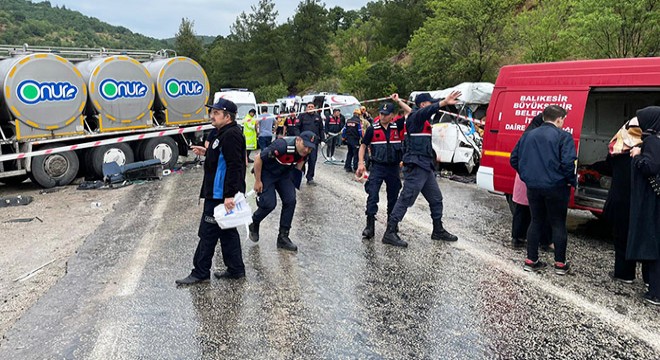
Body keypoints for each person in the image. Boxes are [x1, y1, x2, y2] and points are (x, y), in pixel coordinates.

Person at [176, 99, 247, 284]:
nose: (211, 116)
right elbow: (222, 157)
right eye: (212, 112)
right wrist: (206, 152)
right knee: (227, 232)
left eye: (216, 113)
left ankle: (200, 272)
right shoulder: (221, 133)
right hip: (219, 193)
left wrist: (229, 195)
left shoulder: (231, 135)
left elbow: (234, 166)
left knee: (207, 234)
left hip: (219, 195)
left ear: (227, 116)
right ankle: (236, 269)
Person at [382, 92, 461, 247]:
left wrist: (433, 154)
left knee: (436, 198)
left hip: (425, 166)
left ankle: (437, 230)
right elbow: (426, 111)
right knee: (406, 198)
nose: (432, 105)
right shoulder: (416, 117)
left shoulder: (421, 118)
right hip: (416, 166)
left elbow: (423, 136)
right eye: (429, 103)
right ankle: (390, 231)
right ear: (423, 105)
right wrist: (443, 102)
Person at [510, 105, 576, 275]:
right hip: (556, 187)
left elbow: (514, 159)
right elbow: (569, 164)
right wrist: (571, 181)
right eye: (564, 119)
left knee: (536, 220)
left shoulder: (528, 135)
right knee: (558, 224)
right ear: (560, 119)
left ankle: (531, 260)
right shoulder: (564, 137)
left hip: (533, 186)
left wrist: (527, 176)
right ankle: (560, 264)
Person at [248, 131, 316, 252]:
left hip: (284, 174)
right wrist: (258, 181)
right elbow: (258, 158)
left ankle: (283, 237)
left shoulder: (306, 152)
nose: (306, 150)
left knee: (290, 200)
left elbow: (300, 162)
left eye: (309, 148)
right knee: (269, 204)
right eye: (304, 146)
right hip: (267, 173)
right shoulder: (282, 146)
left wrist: (294, 182)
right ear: (298, 140)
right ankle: (254, 222)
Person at [603, 116, 649, 285]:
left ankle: (624, 273)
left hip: (620, 201)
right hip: (642, 203)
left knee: (621, 237)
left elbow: (608, 167)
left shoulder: (617, 149)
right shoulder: (649, 149)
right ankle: (650, 279)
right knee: (645, 238)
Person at [356, 97, 410, 239]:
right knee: (372, 195)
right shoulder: (372, 129)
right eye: (381, 113)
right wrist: (361, 163)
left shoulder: (397, 126)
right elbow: (362, 146)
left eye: (386, 114)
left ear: (392, 116)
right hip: (378, 167)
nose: (383, 116)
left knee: (393, 197)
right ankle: (369, 226)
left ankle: (391, 225)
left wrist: (398, 101)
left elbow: (410, 112)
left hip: (393, 168)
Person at [627, 106, 660, 306]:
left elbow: (650, 167)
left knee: (653, 242)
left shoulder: (652, 142)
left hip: (652, 201)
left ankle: (655, 292)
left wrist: (637, 155)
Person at [511, 113, 552, 250]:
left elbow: (514, 158)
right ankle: (544, 242)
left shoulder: (527, 135)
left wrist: (522, 173)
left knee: (521, 211)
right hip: (534, 179)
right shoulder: (540, 137)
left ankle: (517, 239)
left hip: (523, 178)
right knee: (540, 213)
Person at [298, 103, 324, 185]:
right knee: (301, 160)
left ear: (314, 108)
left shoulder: (318, 117)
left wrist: (323, 140)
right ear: (306, 108)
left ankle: (310, 178)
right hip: (303, 143)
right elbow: (296, 127)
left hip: (313, 143)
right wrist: (298, 138)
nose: (310, 108)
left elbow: (321, 129)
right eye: (309, 107)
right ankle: (298, 176)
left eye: (312, 107)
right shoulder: (302, 116)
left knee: (312, 160)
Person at [342, 108, 363, 173]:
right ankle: (355, 168)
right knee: (356, 154)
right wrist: (363, 138)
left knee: (349, 153)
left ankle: (347, 167)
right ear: (359, 115)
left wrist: (343, 137)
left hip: (348, 139)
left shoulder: (348, 120)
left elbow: (344, 130)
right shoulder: (358, 121)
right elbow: (360, 131)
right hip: (355, 139)